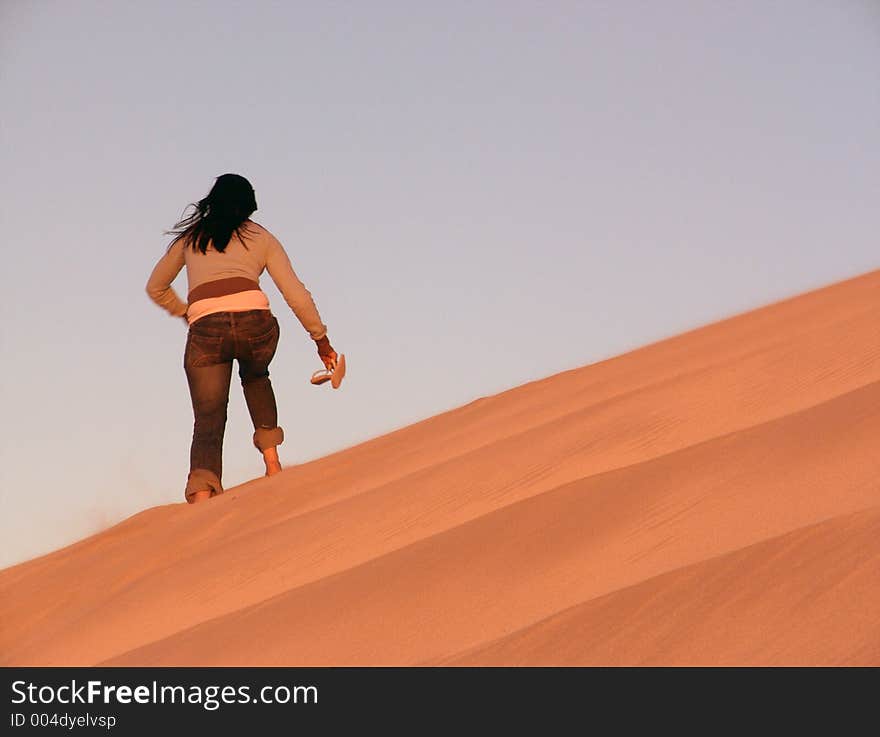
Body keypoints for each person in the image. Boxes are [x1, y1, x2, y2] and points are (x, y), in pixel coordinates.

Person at [146, 173, 337, 503]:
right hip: (256, 324)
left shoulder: (191, 238)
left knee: (209, 415)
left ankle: (203, 492)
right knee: (256, 376)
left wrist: (185, 311)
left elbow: (156, 286)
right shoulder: (261, 237)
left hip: (206, 328)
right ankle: (273, 463)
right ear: (248, 205)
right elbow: (295, 294)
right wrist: (321, 341)